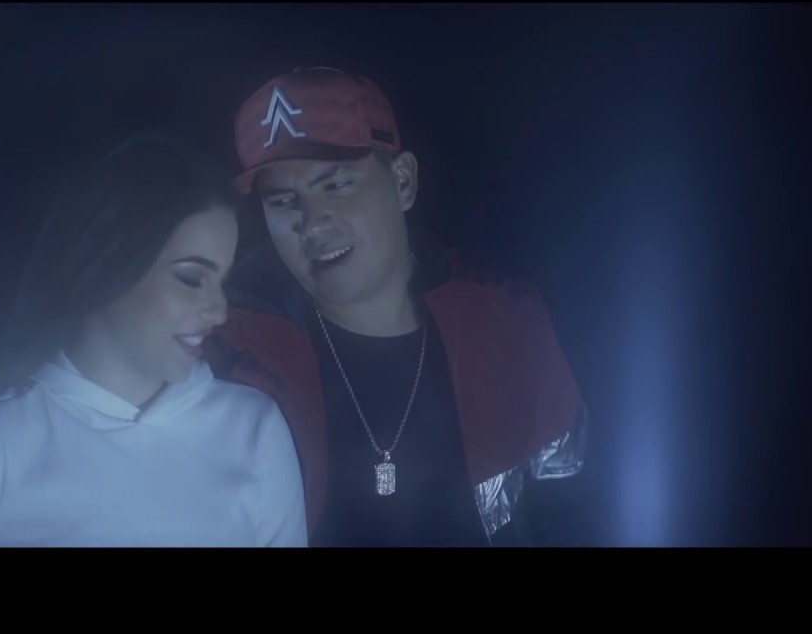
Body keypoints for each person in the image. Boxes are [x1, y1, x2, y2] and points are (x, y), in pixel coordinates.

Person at [0, 134, 307, 547]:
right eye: (192, 278)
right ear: (109, 267)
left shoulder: (252, 427)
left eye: (222, 281)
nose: (219, 310)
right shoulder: (2, 441)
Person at [207, 67, 588, 546]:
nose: (313, 223)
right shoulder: (227, 348)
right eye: (283, 201)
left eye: (336, 185)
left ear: (403, 181)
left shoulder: (507, 321)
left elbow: (565, 509)